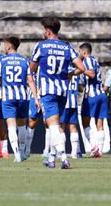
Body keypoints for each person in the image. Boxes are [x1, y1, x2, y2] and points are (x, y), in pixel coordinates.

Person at [30, 17, 85, 169]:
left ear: (48, 31)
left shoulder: (41, 46)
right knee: (57, 125)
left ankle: (64, 157)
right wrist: (70, 74)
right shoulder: (66, 47)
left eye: (43, 30)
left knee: (52, 125)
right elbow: (82, 67)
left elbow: (32, 68)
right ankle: (52, 159)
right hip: (63, 91)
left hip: (47, 91)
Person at [0, 36, 39, 162]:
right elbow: (31, 81)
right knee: (22, 126)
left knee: (11, 126)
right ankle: (22, 152)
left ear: (9, 46)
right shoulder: (24, 60)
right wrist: (36, 98)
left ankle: (16, 153)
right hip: (23, 97)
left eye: (5, 45)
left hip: (8, 97)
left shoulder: (3, 60)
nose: (4, 47)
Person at [79, 42, 108, 158]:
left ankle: (93, 146)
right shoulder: (95, 61)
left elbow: (91, 74)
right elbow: (82, 86)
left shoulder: (87, 61)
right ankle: (99, 151)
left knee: (85, 122)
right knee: (99, 124)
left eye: (80, 51)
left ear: (84, 52)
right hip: (101, 95)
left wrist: (80, 69)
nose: (79, 54)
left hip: (92, 96)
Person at [60, 66, 82, 159]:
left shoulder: (62, 69)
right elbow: (81, 88)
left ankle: (62, 152)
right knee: (73, 128)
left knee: (61, 128)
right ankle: (74, 153)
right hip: (74, 102)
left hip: (64, 101)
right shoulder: (76, 72)